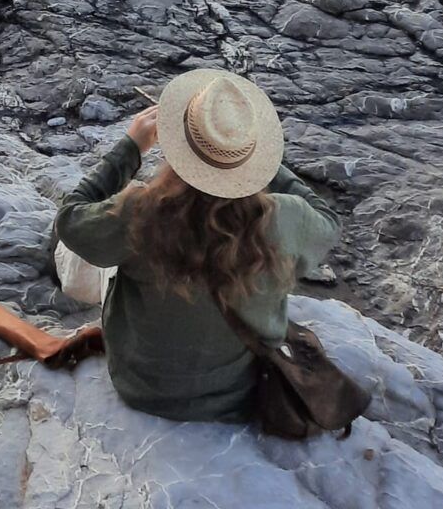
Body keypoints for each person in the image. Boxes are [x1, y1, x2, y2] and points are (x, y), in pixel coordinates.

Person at [52, 68, 340, 424]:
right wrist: (255, 160)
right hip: (235, 392)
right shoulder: (284, 217)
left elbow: (68, 217)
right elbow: (329, 220)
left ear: (178, 148)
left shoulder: (140, 213)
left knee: (94, 244)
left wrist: (129, 149)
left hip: (142, 387)